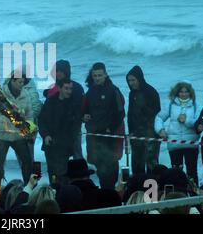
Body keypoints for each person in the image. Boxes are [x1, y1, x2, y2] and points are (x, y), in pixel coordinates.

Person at [83, 62, 125, 190]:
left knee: (111, 163)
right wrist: (84, 116)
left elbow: (121, 113)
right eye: (94, 75)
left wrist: (111, 129)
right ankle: (105, 189)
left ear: (105, 75)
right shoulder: (90, 92)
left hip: (110, 134)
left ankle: (111, 189)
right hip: (95, 134)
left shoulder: (113, 90)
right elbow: (85, 110)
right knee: (99, 164)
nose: (97, 78)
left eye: (99, 75)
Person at [0, 73, 33, 184]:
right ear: (12, 81)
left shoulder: (26, 95)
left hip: (18, 136)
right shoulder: (0, 93)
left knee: (27, 161)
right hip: (1, 135)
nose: (22, 85)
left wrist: (29, 132)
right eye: (20, 82)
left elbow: (29, 115)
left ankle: (28, 186)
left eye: (23, 82)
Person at [155, 81, 199, 185]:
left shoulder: (196, 105)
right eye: (181, 92)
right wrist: (160, 130)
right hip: (174, 144)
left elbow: (198, 123)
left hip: (191, 144)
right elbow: (159, 117)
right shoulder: (171, 105)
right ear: (177, 92)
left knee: (192, 172)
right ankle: (179, 193)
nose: (184, 94)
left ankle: (194, 196)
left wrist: (186, 120)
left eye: (186, 91)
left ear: (190, 92)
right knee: (176, 172)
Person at [39, 78, 81, 184]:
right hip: (50, 142)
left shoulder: (73, 104)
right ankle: (54, 192)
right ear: (60, 88)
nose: (69, 91)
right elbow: (42, 120)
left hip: (64, 144)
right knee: (52, 172)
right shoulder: (50, 101)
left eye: (70, 89)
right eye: (66, 88)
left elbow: (76, 124)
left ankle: (61, 192)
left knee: (62, 172)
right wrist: (46, 135)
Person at [43, 60, 85, 159]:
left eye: (61, 71)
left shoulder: (76, 87)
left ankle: (80, 174)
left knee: (77, 153)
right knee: (59, 157)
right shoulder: (52, 87)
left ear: (67, 71)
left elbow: (81, 108)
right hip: (56, 128)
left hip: (73, 127)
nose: (58, 74)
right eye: (56, 71)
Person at [126, 65, 161, 175]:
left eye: (133, 80)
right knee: (137, 165)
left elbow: (157, 113)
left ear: (139, 79)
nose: (131, 83)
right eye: (129, 80)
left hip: (151, 134)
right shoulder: (132, 93)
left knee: (151, 165)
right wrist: (131, 131)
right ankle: (138, 190)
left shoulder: (151, 92)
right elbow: (130, 114)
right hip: (136, 135)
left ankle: (152, 191)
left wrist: (143, 107)